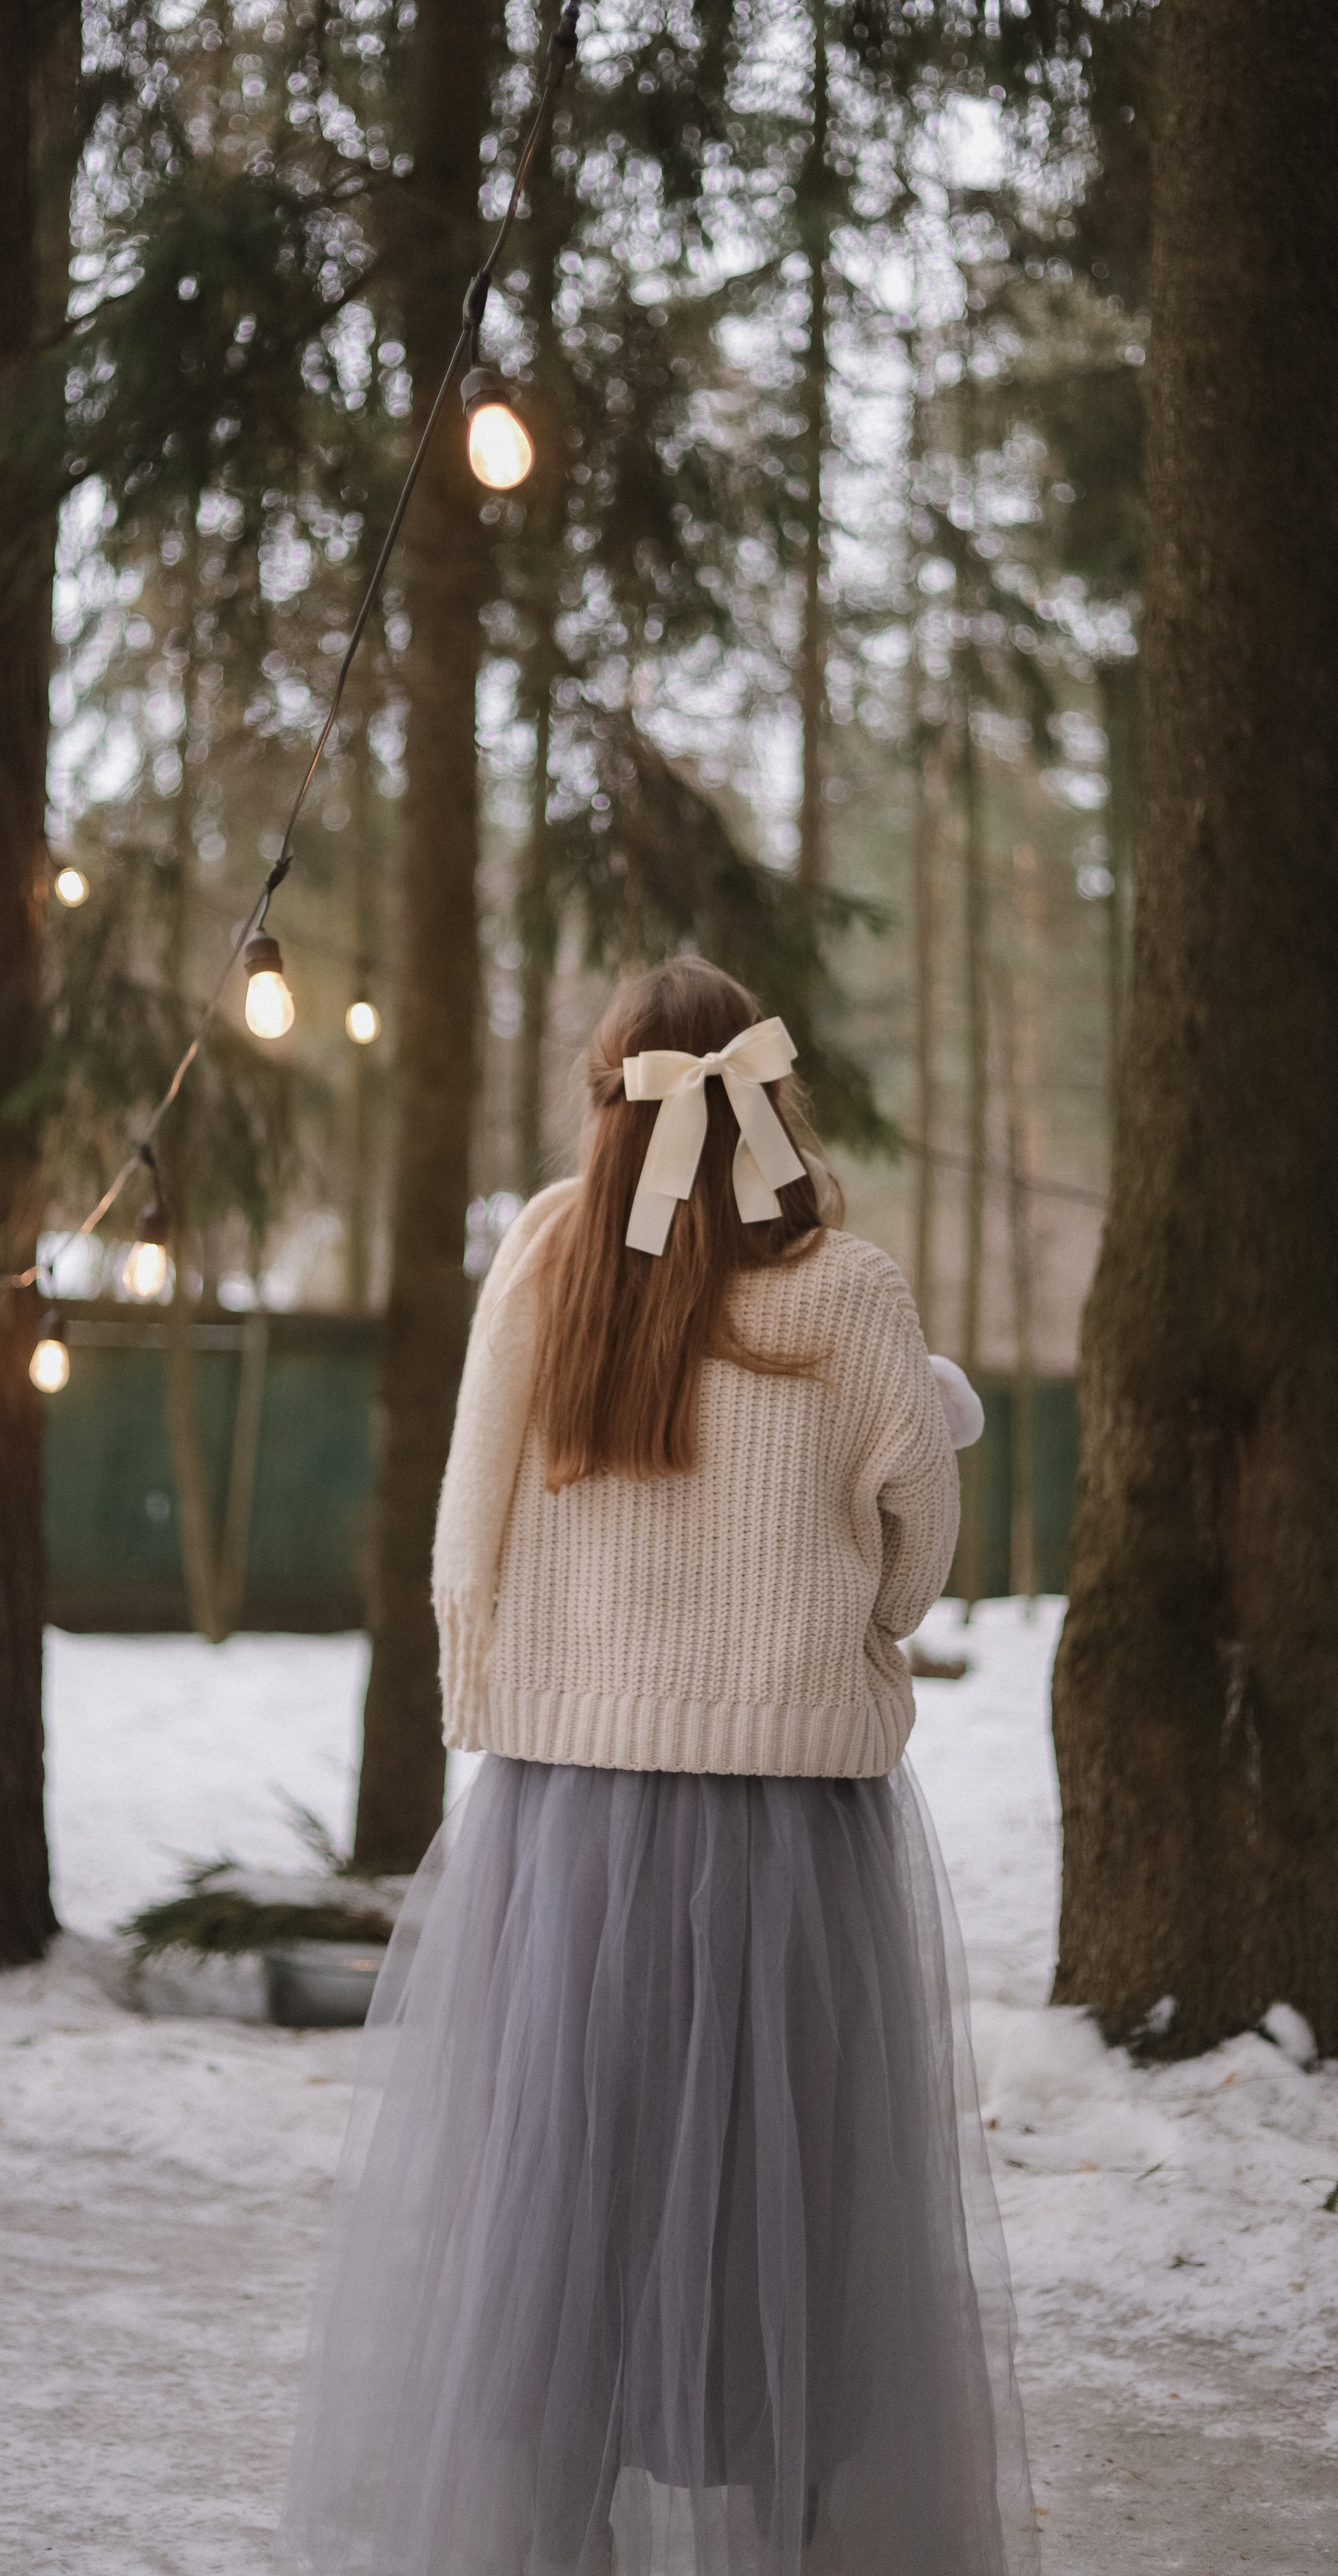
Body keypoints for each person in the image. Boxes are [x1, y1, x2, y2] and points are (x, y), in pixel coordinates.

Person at [279, 957, 1037, 2576]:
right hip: (792, 1835)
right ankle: (792, 2536)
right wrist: (831, 1637)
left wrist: (514, 1680)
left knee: (564, 2206)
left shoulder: (550, 1260)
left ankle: (560, 2539)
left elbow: (467, 1519)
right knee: (794, 2215)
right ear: (770, 1098)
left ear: (603, 1106)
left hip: (568, 1823)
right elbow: (918, 1552)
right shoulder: (853, 1291)